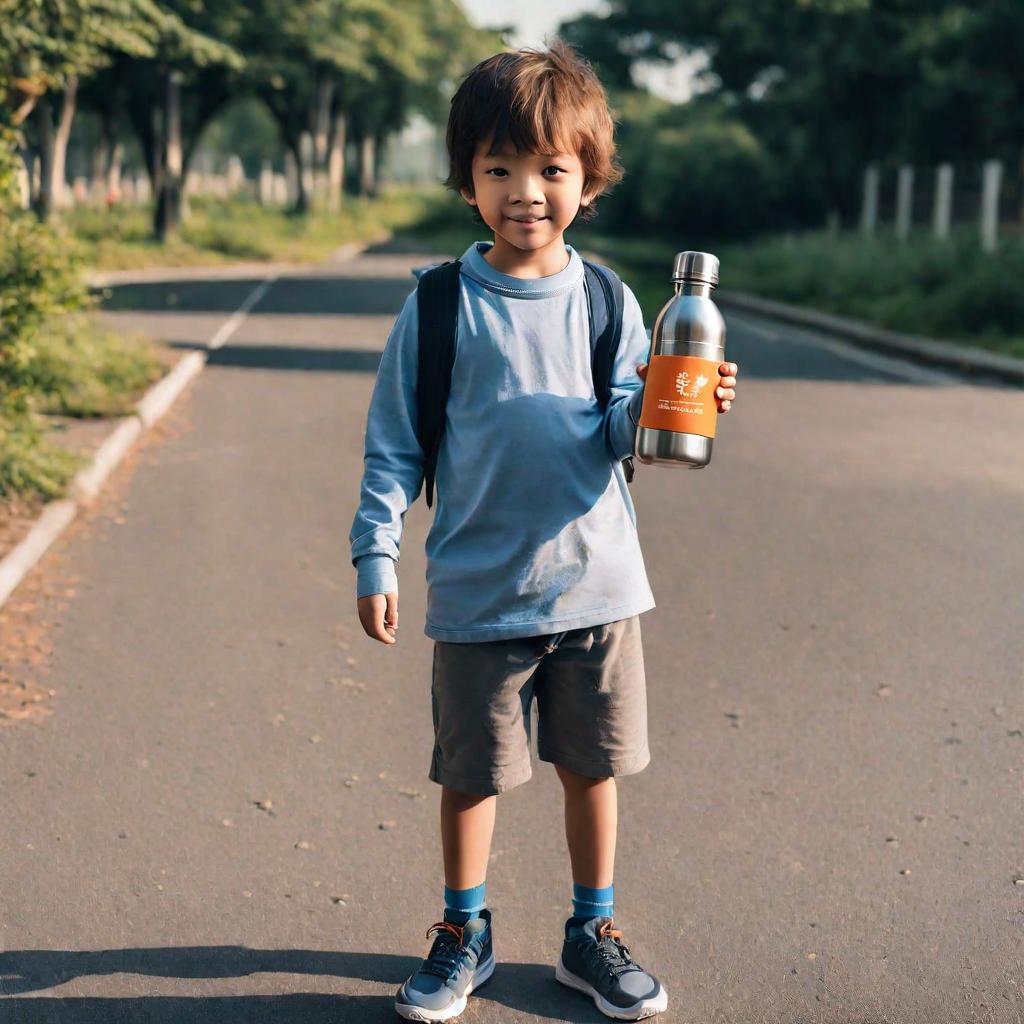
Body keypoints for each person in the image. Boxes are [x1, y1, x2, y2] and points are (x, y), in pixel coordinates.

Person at [349, 38, 739, 1022]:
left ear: (588, 181)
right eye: (499, 168)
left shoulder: (610, 301)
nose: (526, 191)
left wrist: (669, 404)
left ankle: (589, 931)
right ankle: (463, 929)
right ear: (467, 183)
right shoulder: (439, 304)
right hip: (480, 588)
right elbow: (394, 443)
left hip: (597, 586)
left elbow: (621, 433)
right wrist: (374, 551)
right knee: (471, 775)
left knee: (592, 767)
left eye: (551, 169)